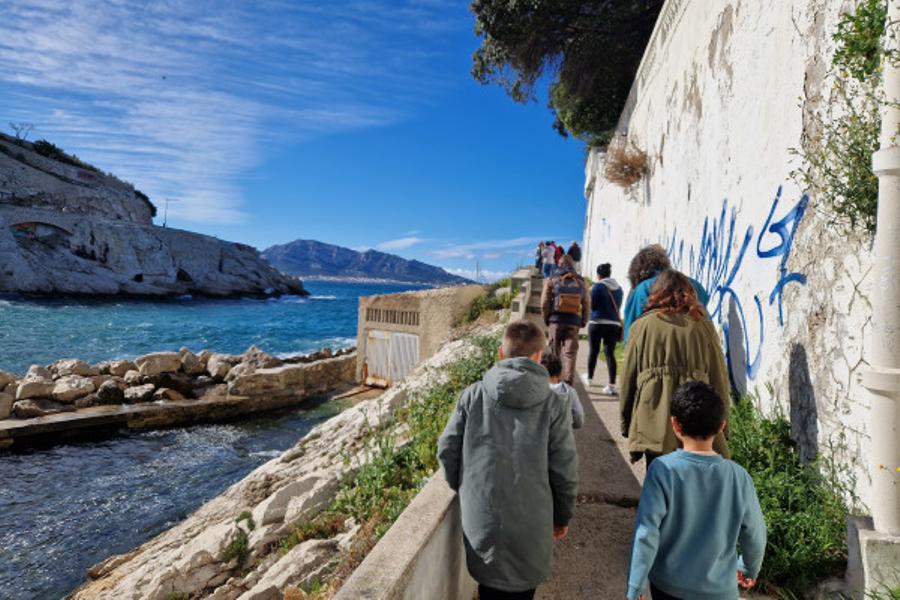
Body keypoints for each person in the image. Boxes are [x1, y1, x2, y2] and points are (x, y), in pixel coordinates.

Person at [438, 320, 578, 600]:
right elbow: (564, 469)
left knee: (487, 589)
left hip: (483, 521)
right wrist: (562, 516)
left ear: (501, 352)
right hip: (532, 525)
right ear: (539, 356)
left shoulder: (473, 395)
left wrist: (466, 489)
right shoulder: (554, 405)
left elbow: (447, 449)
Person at [626, 381, 766, 600]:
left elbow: (646, 533)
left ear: (675, 425)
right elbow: (755, 533)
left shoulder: (662, 470)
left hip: (668, 587)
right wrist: (749, 568)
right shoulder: (739, 477)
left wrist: (636, 583)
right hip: (721, 590)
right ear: (722, 425)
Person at [619, 270, 730, 466]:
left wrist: (628, 423)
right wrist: (723, 425)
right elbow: (718, 377)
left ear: (656, 294)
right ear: (688, 293)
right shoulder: (703, 326)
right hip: (697, 417)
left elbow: (628, 379)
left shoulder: (641, 326)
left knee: (658, 484)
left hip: (652, 420)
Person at [622, 244, 710, 340]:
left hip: (660, 346)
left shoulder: (642, 289)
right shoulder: (695, 284)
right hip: (695, 342)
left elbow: (631, 330)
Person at [541, 255, 590, 385]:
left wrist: (547, 318)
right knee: (570, 354)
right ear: (573, 265)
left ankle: (554, 382)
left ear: (559, 264)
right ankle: (568, 383)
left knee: (554, 352)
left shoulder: (552, 279)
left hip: (555, 320)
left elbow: (545, 302)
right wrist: (584, 320)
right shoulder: (581, 281)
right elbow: (586, 303)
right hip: (573, 322)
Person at [586, 263, 623, 394]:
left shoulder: (597, 287)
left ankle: (590, 378)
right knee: (610, 354)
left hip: (596, 322)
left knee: (593, 351)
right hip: (613, 325)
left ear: (598, 275)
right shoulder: (619, 289)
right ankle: (611, 385)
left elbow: (593, 306)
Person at [541, 351, 584, 429]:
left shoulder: (535, 390)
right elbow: (578, 418)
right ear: (560, 373)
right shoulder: (570, 391)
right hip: (563, 435)